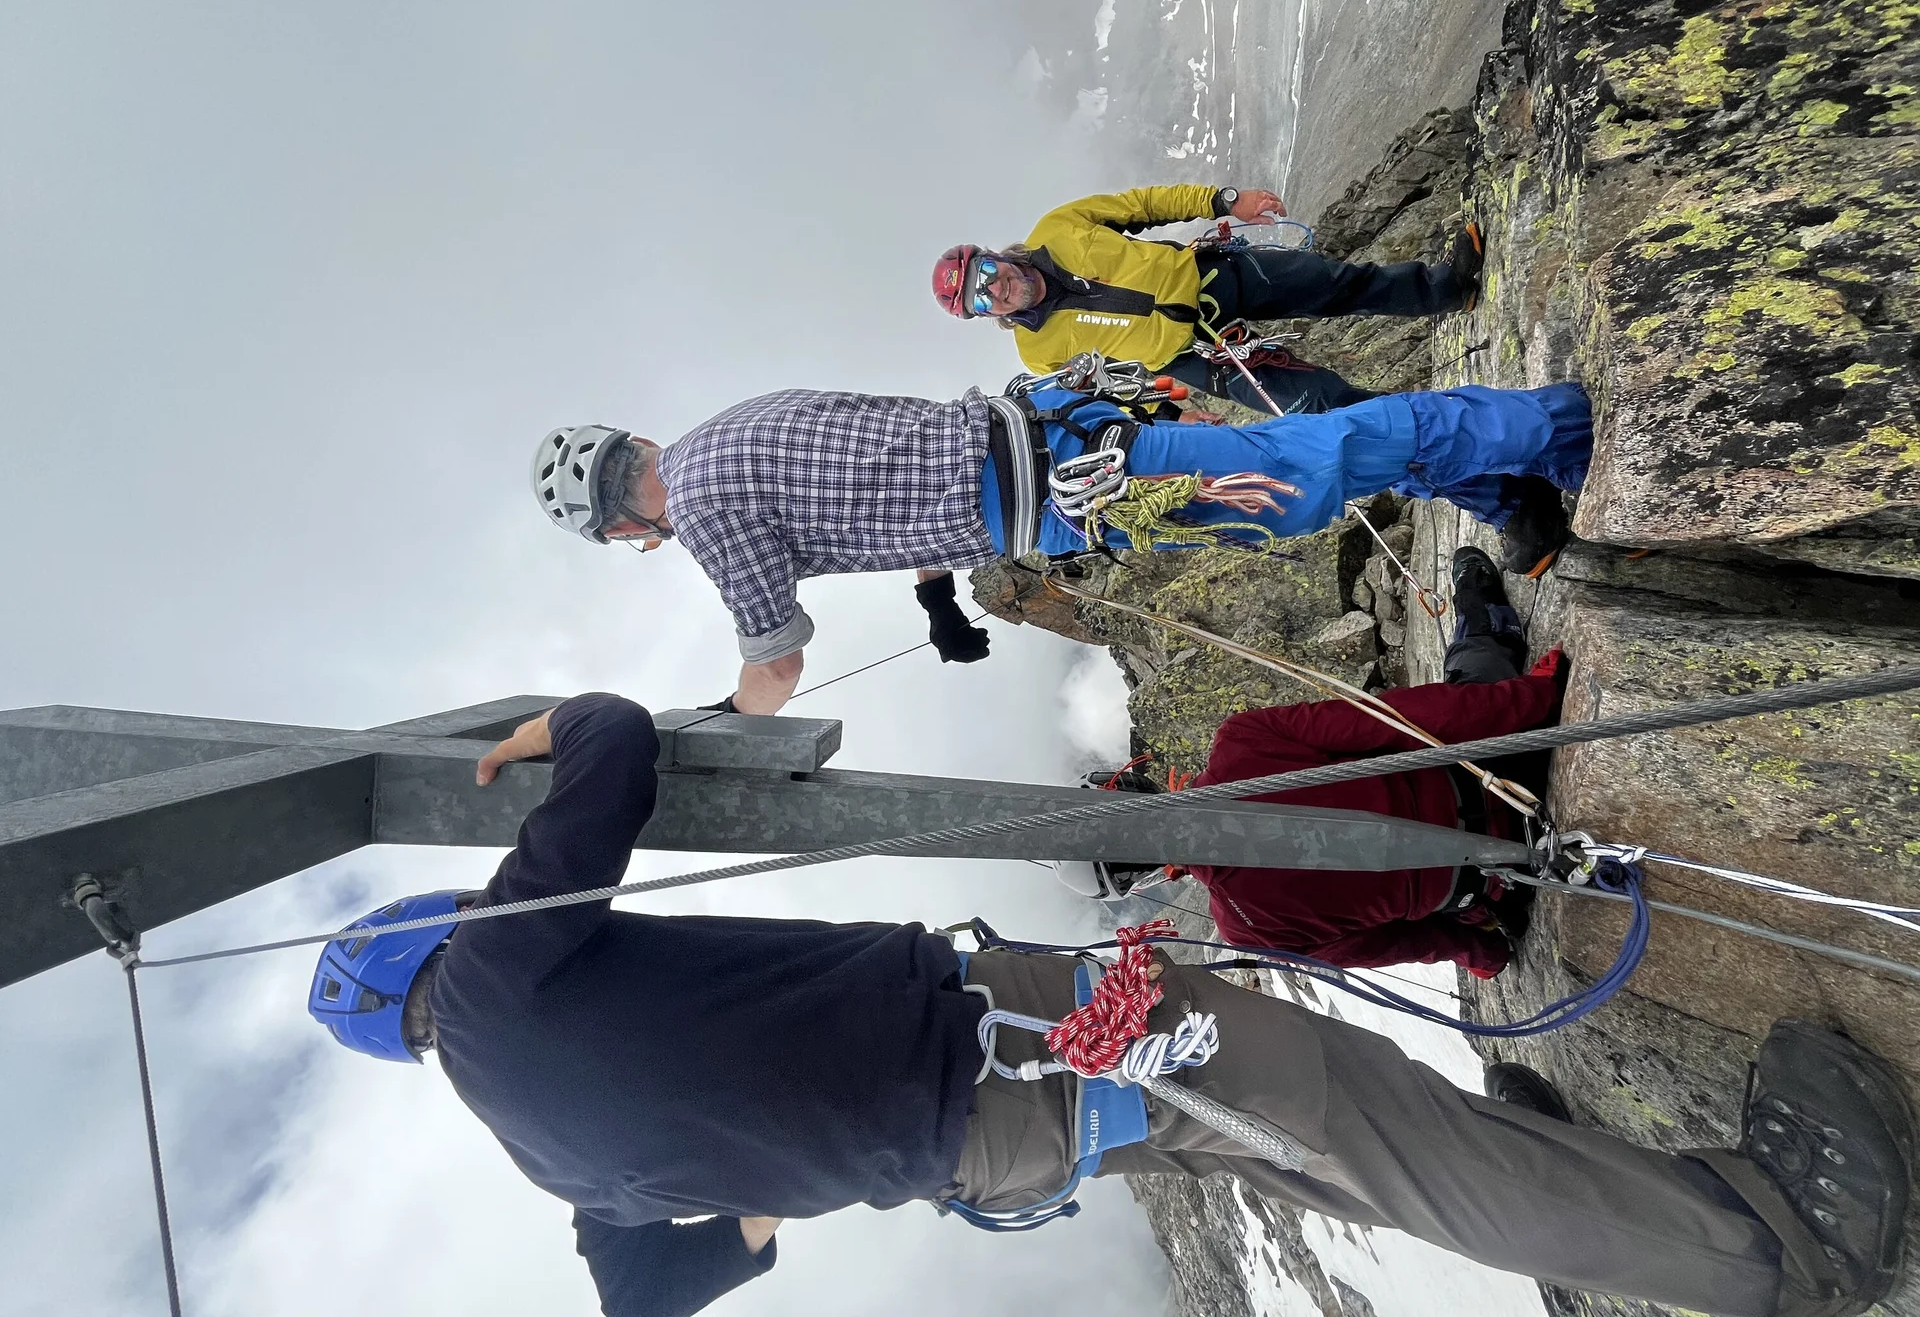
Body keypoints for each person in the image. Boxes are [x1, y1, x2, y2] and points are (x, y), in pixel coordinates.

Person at [309, 692, 1913, 1317]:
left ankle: (1622, 1208)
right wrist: (535, 737)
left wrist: (760, 1179)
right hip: (1014, 1046)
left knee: (1303, 1146)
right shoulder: (505, 963)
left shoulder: (542, 1154)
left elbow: (647, 1297)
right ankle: (1768, 1245)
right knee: (1351, 1119)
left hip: (995, 1145)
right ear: (421, 948)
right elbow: (608, 742)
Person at [529, 383, 1586, 711]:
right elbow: (881, 476)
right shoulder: (734, 430)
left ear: (625, 521)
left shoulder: (704, 508)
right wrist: (936, 595)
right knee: (1293, 474)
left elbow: (775, 659)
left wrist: (725, 725)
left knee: (1303, 470)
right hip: (1062, 442)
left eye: (629, 542)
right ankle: (1504, 486)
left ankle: (1552, 426)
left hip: (1082, 488)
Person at [1169, 546, 1564, 977]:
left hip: (1506, 876)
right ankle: (1481, 607)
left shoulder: (1245, 931)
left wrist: (1481, 954)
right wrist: (1536, 697)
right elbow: (1398, 721)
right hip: (1502, 769)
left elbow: (1391, 943)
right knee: (1473, 658)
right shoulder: (1240, 744)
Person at [931, 182, 1484, 414]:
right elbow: (1103, 391)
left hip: (1209, 279)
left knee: (1334, 283)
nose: (995, 289)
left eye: (985, 273)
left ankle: (1446, 289)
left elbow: (1144, 205)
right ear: (985, 316)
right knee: (1313, 401)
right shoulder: (1037, 354)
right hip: (1193, 357)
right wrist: (1171, 414)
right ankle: (1429, 422)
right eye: (981, 301)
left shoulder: (1058, 227)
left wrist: (1224, 200)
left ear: (992, 255)